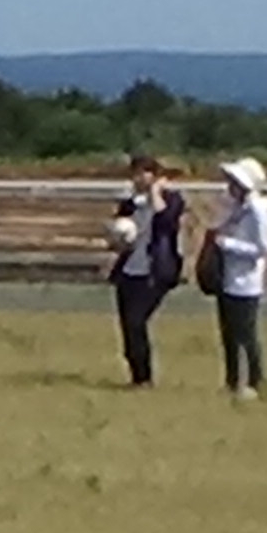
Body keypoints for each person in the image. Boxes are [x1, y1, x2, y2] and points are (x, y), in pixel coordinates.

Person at [106, 154, 187, 390]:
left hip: (155, 271)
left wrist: (156, 193)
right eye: (135, 174)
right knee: (128, 326)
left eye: (144, 173)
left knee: (136, 321)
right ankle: (137, 376)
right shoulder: (131, 202)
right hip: (129, 270)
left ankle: (145, 378)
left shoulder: (172, 200)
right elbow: (118, 231)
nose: (138, 178)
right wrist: (117, 240)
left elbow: (166, 222)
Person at [207, 158, 267, 400]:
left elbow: (264, 247)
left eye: (234, 182)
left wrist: (228, 245)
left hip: (246, 283)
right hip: (228, 278)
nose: (230, 186)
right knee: (228, 335)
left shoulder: (258, 210)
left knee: (246, 334)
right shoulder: (238, 208)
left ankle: (256, 381)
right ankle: (232, 381)